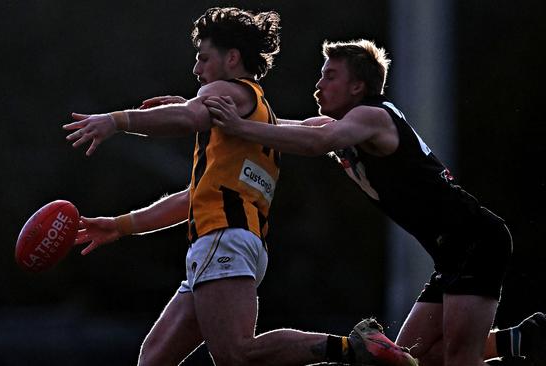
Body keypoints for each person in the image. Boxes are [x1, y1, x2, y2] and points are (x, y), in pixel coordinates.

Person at [63, 9, 416, 366]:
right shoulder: (260, 115)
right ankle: (357, 348)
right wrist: (120, 225)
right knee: (154, 359)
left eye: (203, 58)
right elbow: (193, 196)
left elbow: (188, 118)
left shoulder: (229, 92)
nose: (196, 70)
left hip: (222, 238)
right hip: (233, 238)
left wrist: (116, 120)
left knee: (236, 354)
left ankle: (355, 348)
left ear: (232, 58)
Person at [204, 39, 546, 366]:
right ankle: (520, 339)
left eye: (330, 76)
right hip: (451, 251)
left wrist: (237, 126)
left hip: (476, 240)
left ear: (358, 86)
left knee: (460, 357)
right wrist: (201, 113)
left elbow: (314, 142)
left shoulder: (371, 116)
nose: (318, 85)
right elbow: (280, 127)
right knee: (401, 360)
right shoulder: (343, 124)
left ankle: (521, 340)